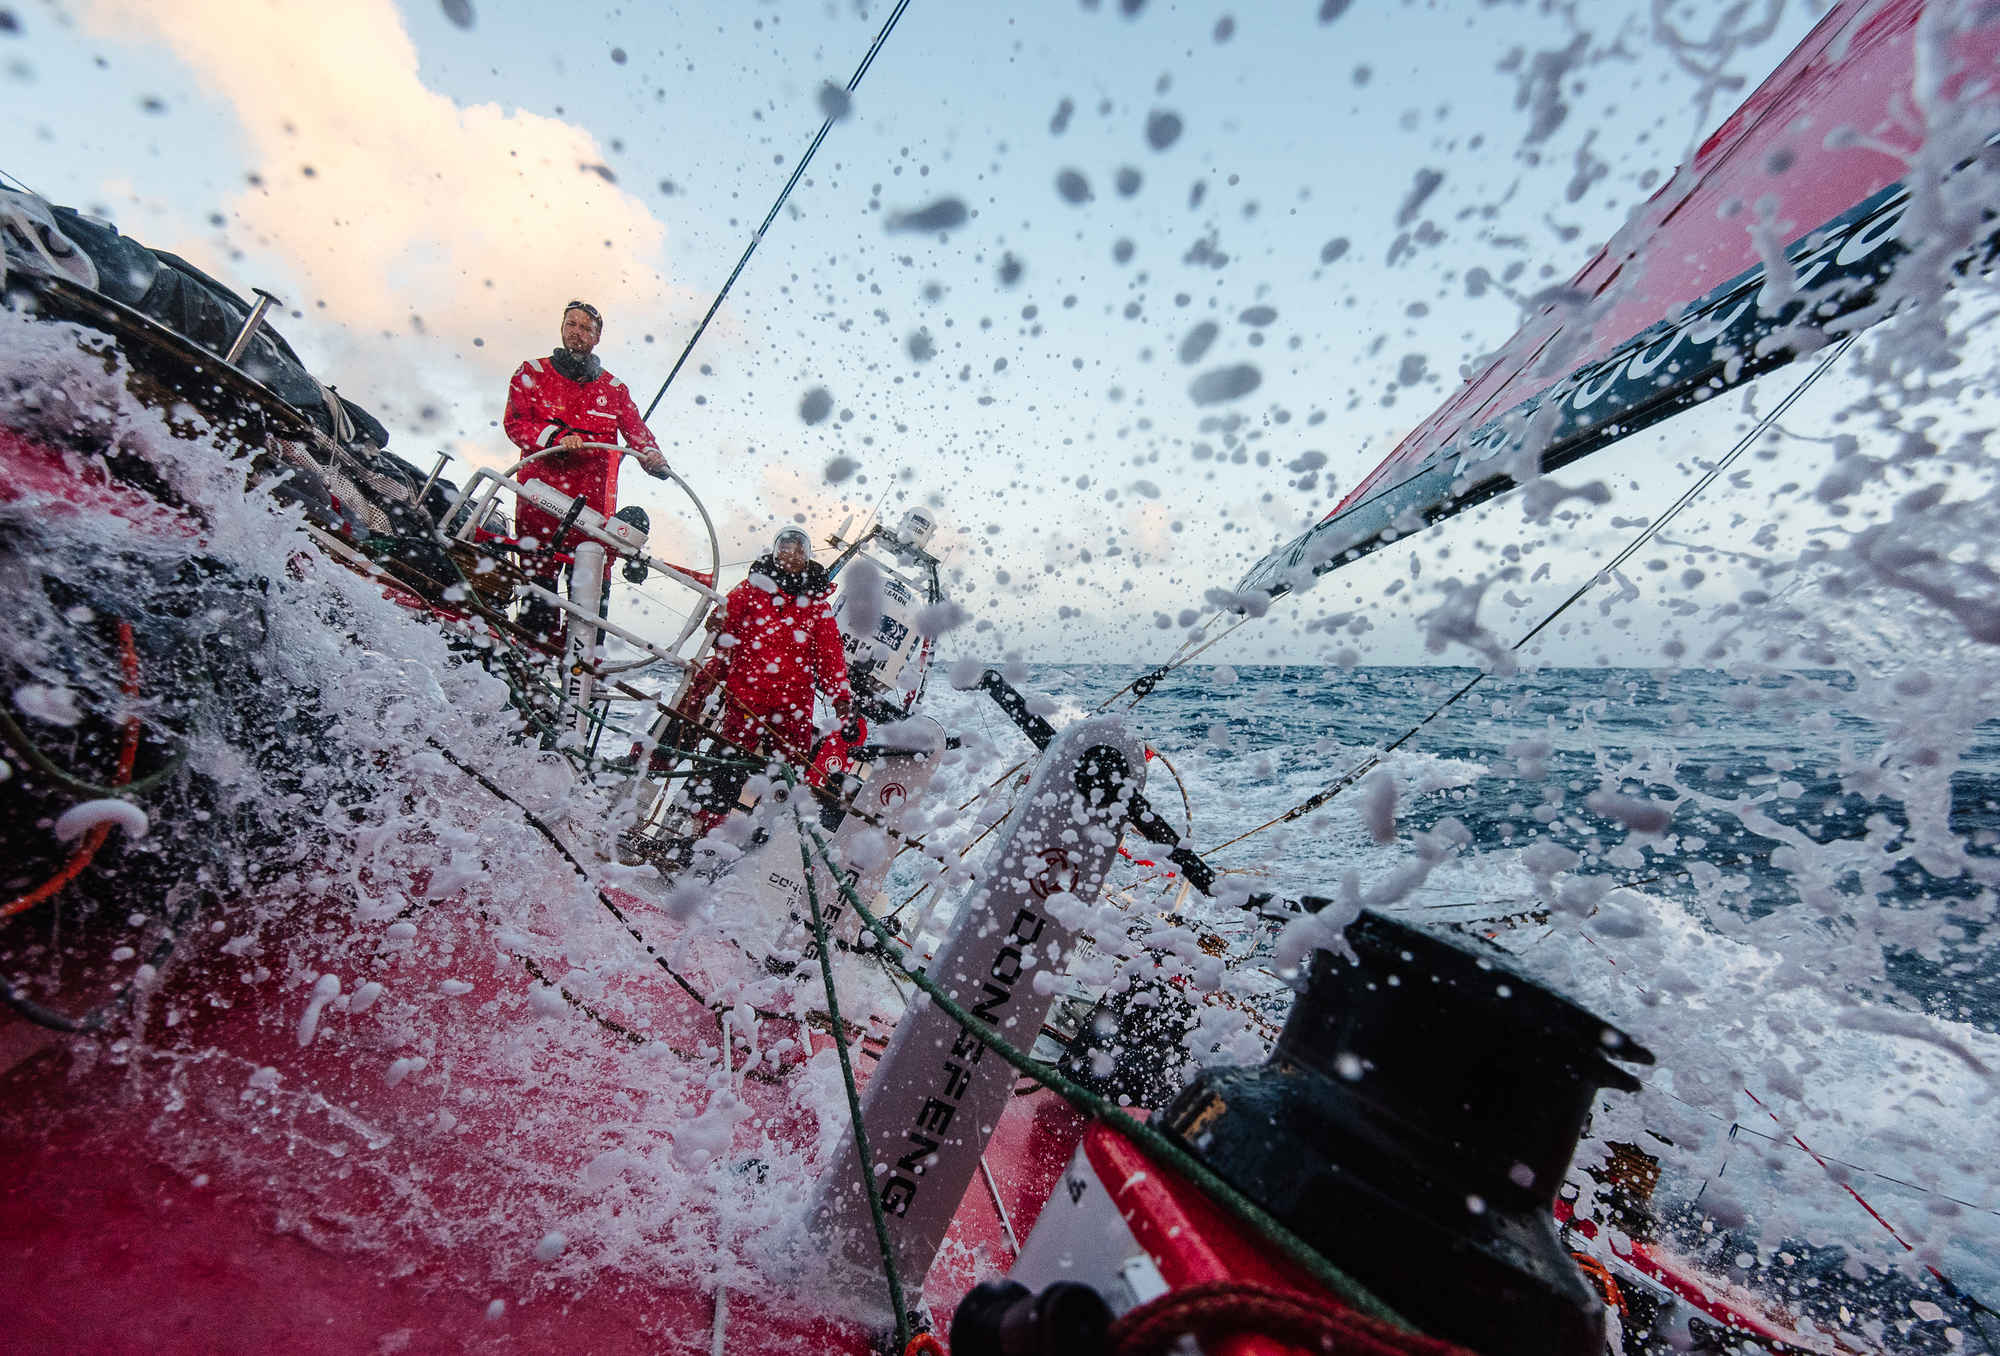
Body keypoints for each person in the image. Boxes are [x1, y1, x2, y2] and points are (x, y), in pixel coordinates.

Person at [501, 300, 667, 641]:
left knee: (589, 618)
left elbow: (636, 432)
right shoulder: (531, 372)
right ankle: (532, 660)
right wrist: (555, 438)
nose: (577, 332)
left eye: (586, 328)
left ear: (597, 337)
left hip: (594, 516)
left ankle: (583, 670)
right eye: (571, 324)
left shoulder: (614, 390)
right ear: (562, 328)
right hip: (540, 508)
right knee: (537, 605)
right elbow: (516, 423)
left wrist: (651, 456)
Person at [692, 527, 861, 834]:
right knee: (728, 765)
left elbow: (830, 659)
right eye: (786, 549)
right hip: (746, 701)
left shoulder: (818, 609)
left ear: (807, 557)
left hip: (792, 710)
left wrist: (841, 701)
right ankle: (705, 829)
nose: (791, 556)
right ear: (775, 552)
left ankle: (766, 838)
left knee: (786, 779)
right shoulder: (750, 591)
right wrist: (716, 625)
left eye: (798, 551)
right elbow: (724, 627)